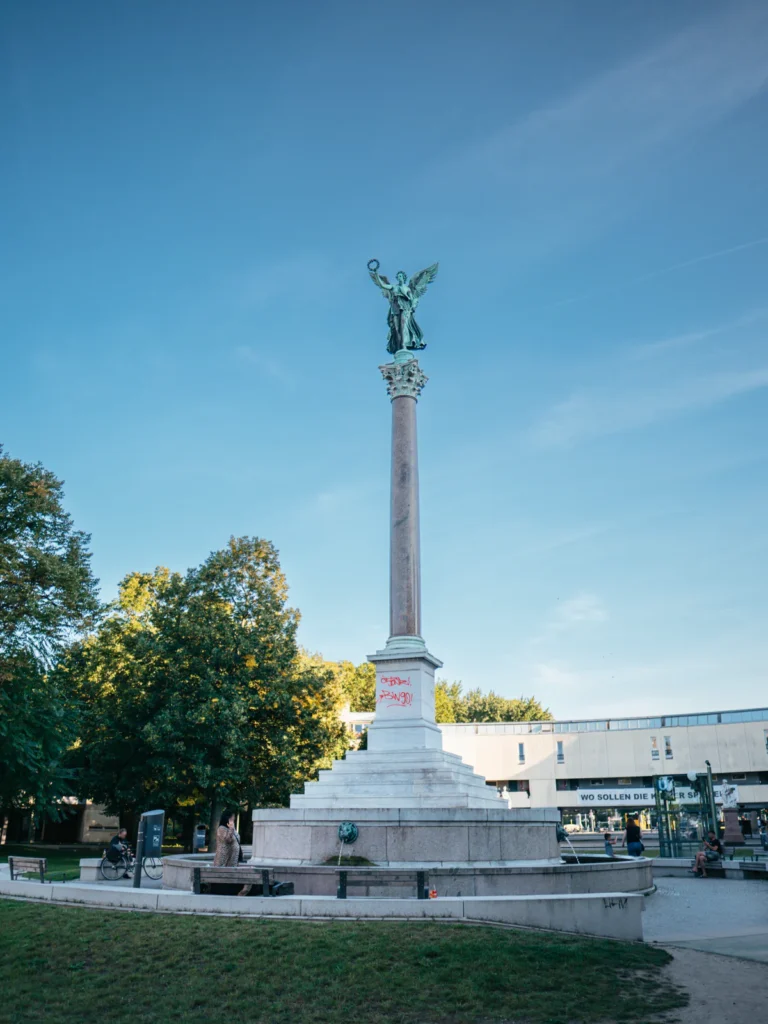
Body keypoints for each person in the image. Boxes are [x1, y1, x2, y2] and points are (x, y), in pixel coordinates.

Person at [213, 810, 250, 896]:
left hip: (232, 859)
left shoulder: (231, 828)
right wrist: (231, 829)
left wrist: (232, 829)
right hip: (225, 860)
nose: (234, 818)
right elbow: (228, 839)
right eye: (232, 817)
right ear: (227, 818)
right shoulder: (221, 829)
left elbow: (237, 839)